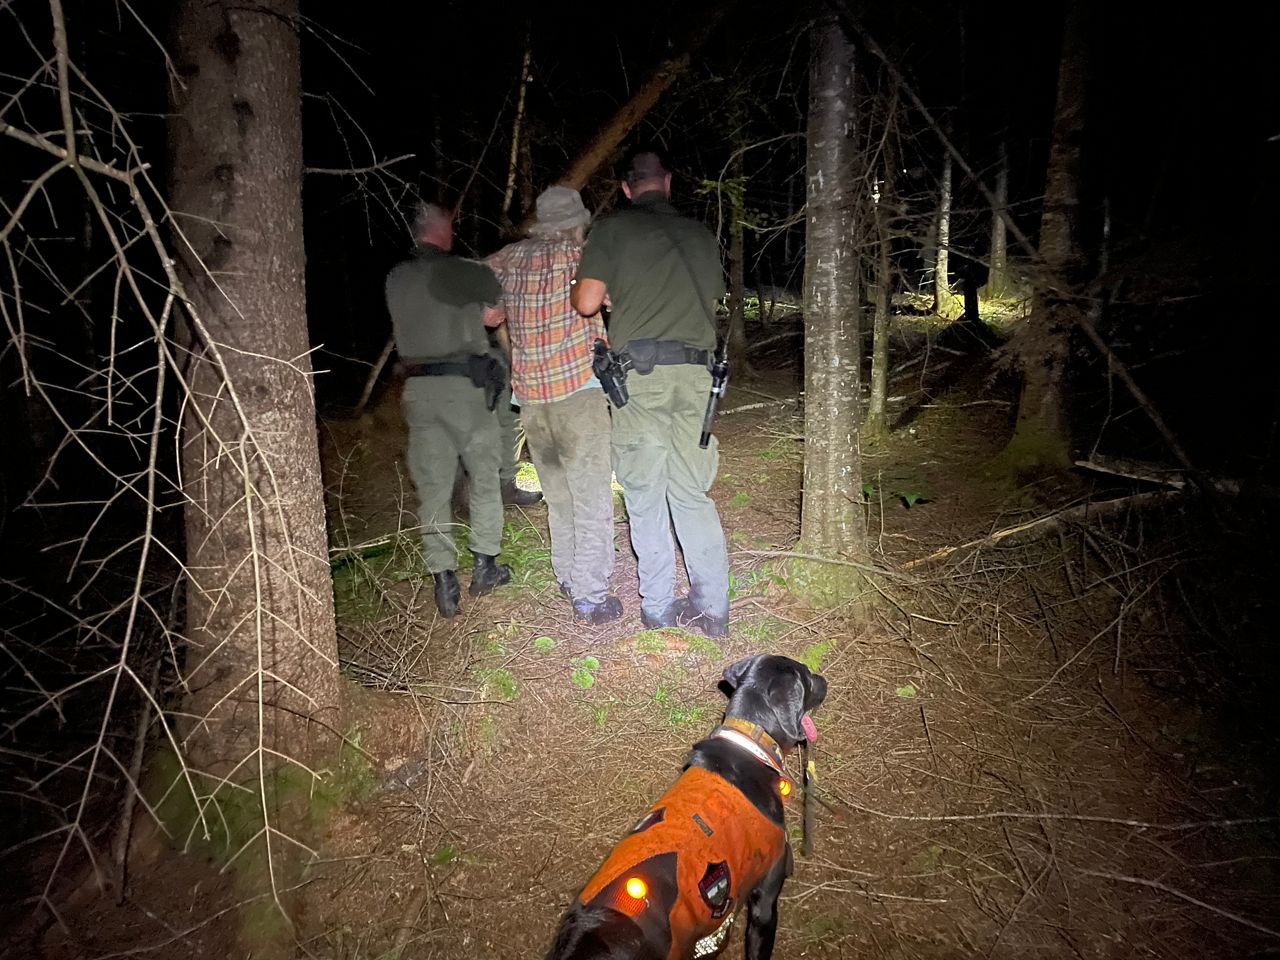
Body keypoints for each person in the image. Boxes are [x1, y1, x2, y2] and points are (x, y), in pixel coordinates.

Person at [570, 151, 730, 638]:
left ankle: (658, 608)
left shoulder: (613, 229)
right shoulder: (701, 234)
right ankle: (712, 609)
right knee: (691, 492)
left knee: (644, 493)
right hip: (699, 377)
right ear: (667, 181)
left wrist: (612, 292)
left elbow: (586, 301)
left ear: (625, 188)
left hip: (641, 378)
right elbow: (706, 297)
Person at [487, 186, 621, 625]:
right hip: (578, 395)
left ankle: (567, 574)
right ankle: (590, 596)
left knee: (559, 497)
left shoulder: (507, 259)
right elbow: (611, 300)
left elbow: (488, 315)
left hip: (532, 401)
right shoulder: (582, 259)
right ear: (575, 222)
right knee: (592, 498)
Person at [385, 202, 512, 618]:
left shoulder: (396, 277)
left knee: (433, 487)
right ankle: (485, 566)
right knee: (484, 473)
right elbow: (495, 315)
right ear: (442, 230)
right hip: (464, 390)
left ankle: (443, 580)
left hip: (418, 391)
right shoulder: (463, 270)